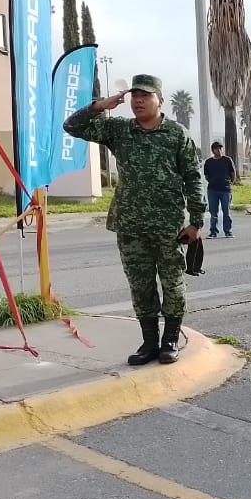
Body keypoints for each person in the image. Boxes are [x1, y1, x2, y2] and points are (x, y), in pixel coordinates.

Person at [62, 74, 206, 365]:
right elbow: (72, 126)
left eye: (145, 95)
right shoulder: (119, 130)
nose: (137, 101)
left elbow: (193, 177)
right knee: (140, 286)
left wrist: (196, 221)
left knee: (172, 284)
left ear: (160, 100)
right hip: (129, 225)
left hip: (169, 226)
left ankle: (170, 340)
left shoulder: (177, 134)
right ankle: (149, 343)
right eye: (134, 96)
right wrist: (99, 106)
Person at [203, 141, 236, 238]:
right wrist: (213, 181)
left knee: (226, 211)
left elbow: (232, 173)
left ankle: (228, 231)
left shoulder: (227, 160)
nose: (219, 150)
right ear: (213, 150)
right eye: (217, 148)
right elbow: (206, 176)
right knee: (213, 212)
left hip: (225, 190)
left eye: (220, 148)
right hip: (213, 190)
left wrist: (229, 183)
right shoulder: (209, 162)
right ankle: (213, 231)